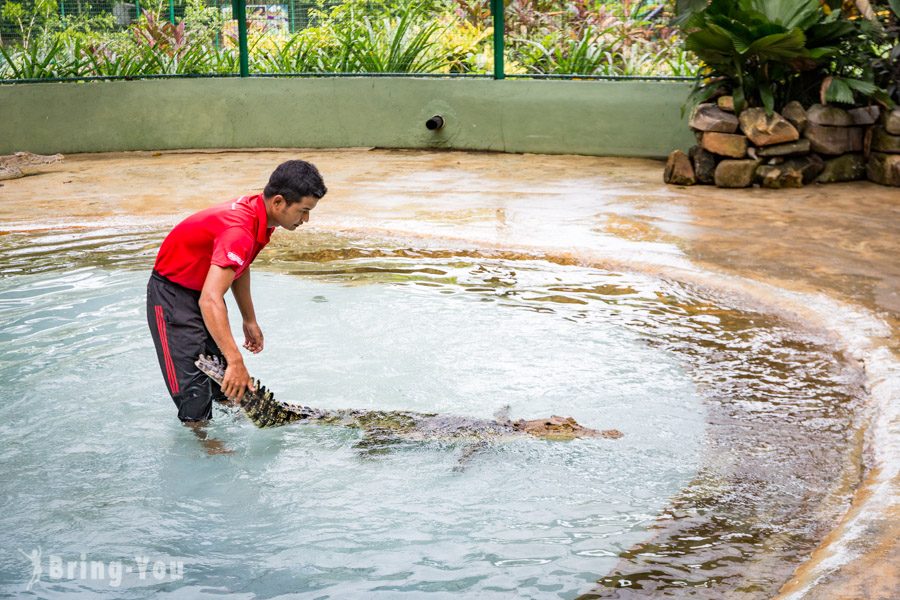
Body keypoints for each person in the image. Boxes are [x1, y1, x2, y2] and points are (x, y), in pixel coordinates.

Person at [147, 160, 326, 433]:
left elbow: (240, 266)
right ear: (279, 202)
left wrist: (249, 318)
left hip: (200, 288)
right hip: (172, 295)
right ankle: (205, 446)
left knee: (221, 384)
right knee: (193, 389)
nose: (306, 220)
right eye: (303, 211)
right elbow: (210, 299)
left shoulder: (261, 216)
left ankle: (225, 425)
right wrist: (236, 360)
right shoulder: (239, 230)